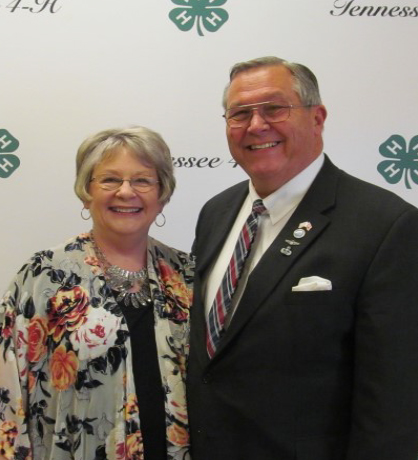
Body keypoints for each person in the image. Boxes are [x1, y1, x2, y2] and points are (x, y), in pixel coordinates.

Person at [186, 56, 418, 460]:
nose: (256, 125)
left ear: (317, 117)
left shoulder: (386, 226)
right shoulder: (215, 212)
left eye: (274, 108)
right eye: (240, 113)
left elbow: (394, 400)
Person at [0, 126, 193, 460]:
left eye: (142, 180)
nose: (126, 192)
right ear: (85, 192)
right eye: (109, 180)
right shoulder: (44, 274)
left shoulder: (188, 274)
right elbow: (8, 390)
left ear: (163, 194)